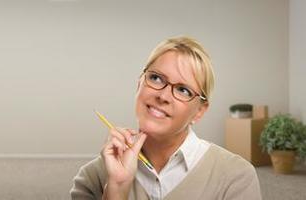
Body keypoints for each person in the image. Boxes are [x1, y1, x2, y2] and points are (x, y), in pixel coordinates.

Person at [70, 36, 261, 200]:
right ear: (139, 84)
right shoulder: (92, 178)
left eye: (183, 90)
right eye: (156, 78)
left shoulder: (236, 176)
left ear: (199, 111)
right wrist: (117, 190)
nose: (163, 96)